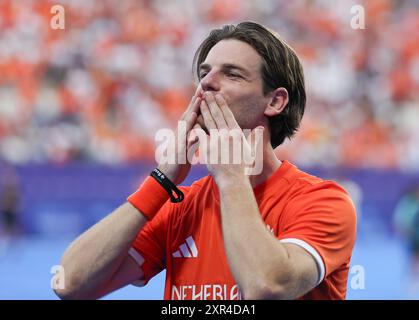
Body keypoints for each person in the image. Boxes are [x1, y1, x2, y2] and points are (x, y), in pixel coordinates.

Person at [54, 21, 356, 300]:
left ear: (275, 101)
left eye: (232, 73)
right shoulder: (181, 206)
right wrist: (162, 180)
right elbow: (69, 284)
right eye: (204, 73)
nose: (207, 83)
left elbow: (265, 286)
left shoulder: (323, 202)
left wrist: (232, 177)